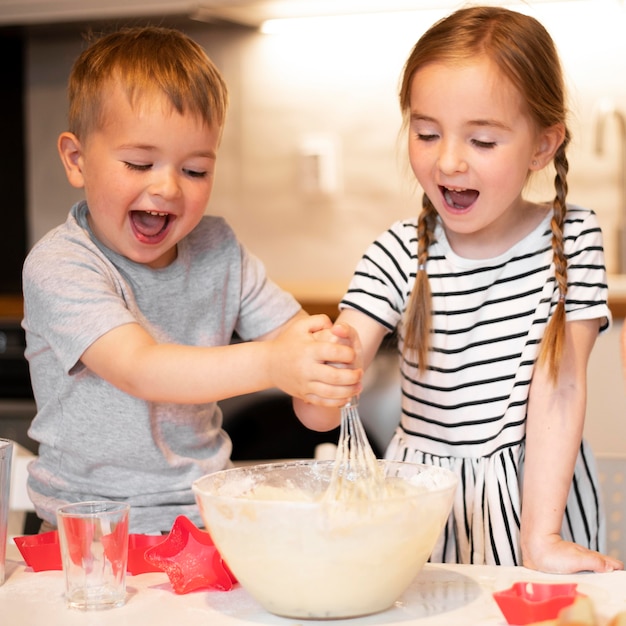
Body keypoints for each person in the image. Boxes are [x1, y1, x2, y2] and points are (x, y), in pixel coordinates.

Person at [295, 6, 623, 574]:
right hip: (424, 509)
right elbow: (318, 414)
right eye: (426, 133)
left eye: (483, 141)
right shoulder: (397, 254)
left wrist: (540, 537)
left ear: (543, 147)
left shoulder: (572, 240)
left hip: (535, 505)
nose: (448, 160)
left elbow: (561, 386)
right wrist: (320, 375)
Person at [21, 26, 361, 534]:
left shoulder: (218, 249)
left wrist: (323, 376)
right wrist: (275, 362)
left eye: (196, 170)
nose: (167, 187)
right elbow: (142, 369)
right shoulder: (62, 264)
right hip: (91, 533)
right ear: (77, 160)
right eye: (139, 163)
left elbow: (297, 351)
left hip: (206, 521)